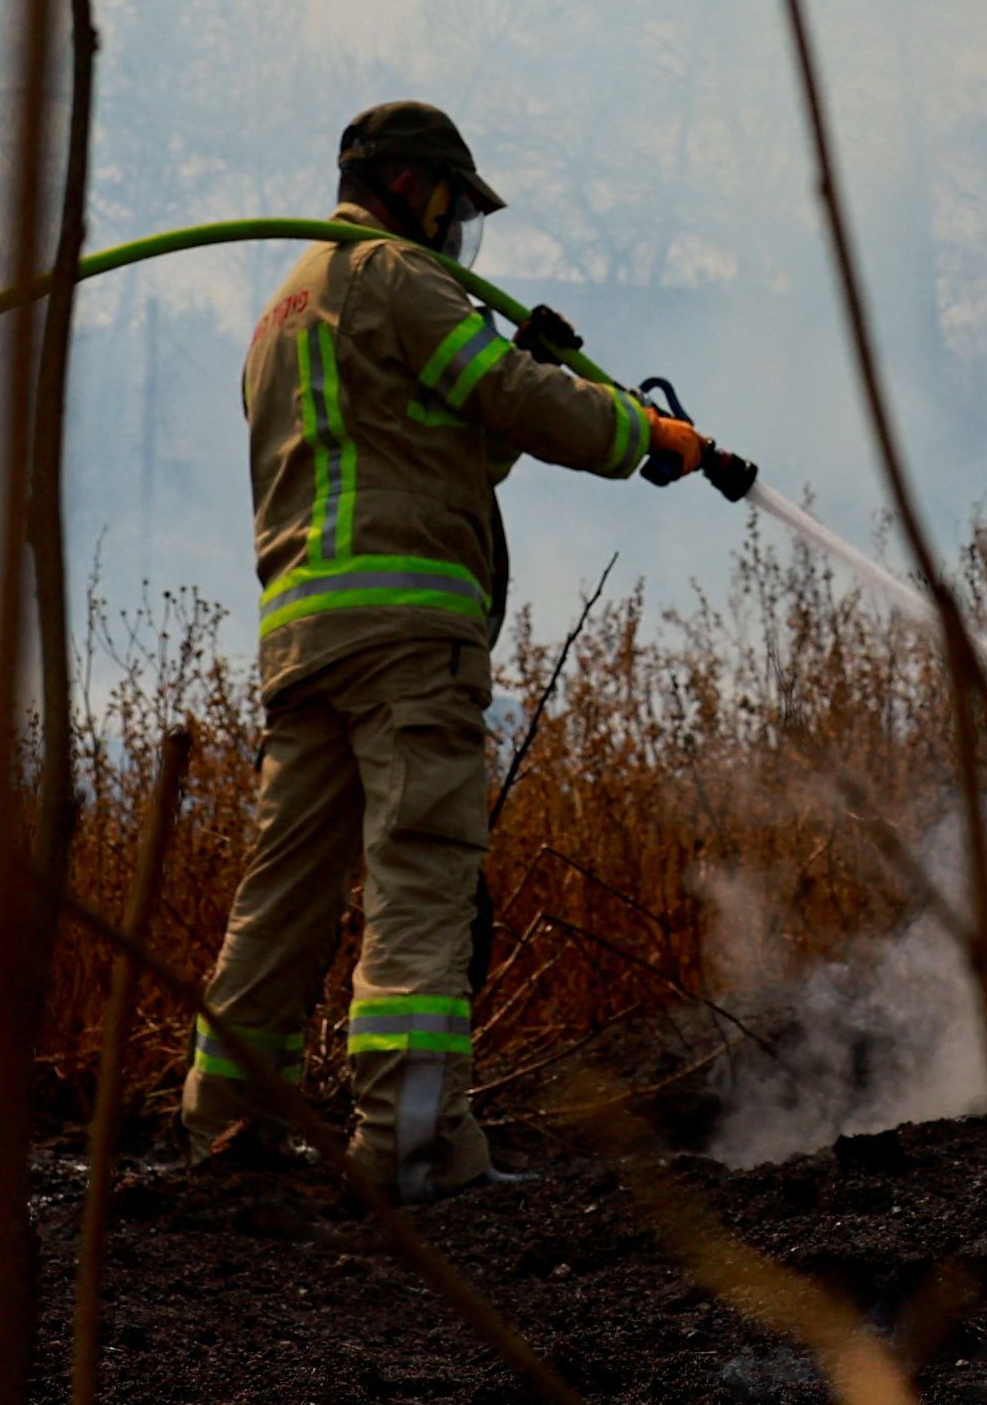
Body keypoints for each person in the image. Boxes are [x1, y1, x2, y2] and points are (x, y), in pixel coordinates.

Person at [179, 98, 728, 1197]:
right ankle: (415, 1149)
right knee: (421, 881)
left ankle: (226, 1129)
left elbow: (431, 451)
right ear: (413, 185)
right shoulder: (396, 274)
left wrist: (523, 404)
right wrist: (643, 436)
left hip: (307, 644)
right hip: (407, 642)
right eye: (454, 206)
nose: (456, 233)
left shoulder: (286, 308)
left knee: (282, 896)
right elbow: (510, 394)